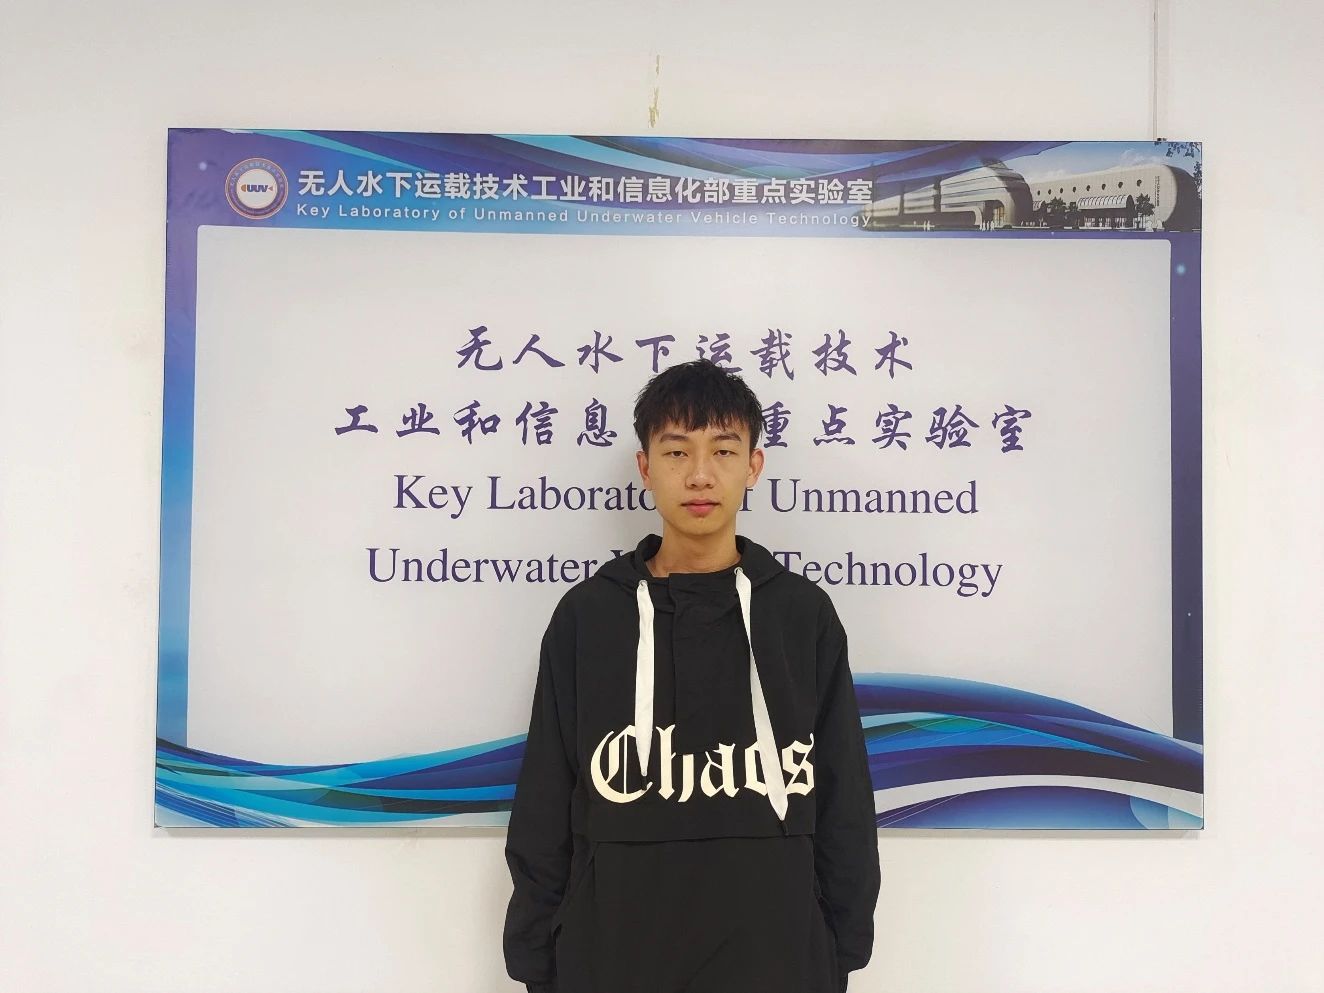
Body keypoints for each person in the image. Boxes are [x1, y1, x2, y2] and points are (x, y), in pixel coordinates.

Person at [503, 359, 880, 993]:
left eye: (723, 451)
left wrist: (840, 946)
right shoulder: (589, 617)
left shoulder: (799, 615)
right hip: (613, 955)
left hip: (778, 956)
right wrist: (537, 959)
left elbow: (844, 796)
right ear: (645, 466)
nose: (700, 474)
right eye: (677, 451)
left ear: (753, 466)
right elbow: (546, 794)